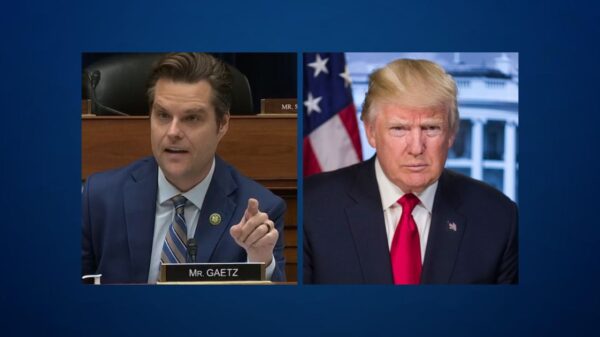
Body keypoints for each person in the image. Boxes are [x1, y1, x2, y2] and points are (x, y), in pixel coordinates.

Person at [303, 59, 518, 284]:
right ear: (371, 132)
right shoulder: (312, 207)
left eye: (431, 128)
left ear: (452, 134)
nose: (416, 148)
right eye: (399, 128)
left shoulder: (498, 219)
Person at [82, 53, 286, 284]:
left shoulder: (258, 211)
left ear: (222, 125)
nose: (172, 132)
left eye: (191, 118)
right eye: (163, 115)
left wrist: (259, 262)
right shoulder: (99, 198)